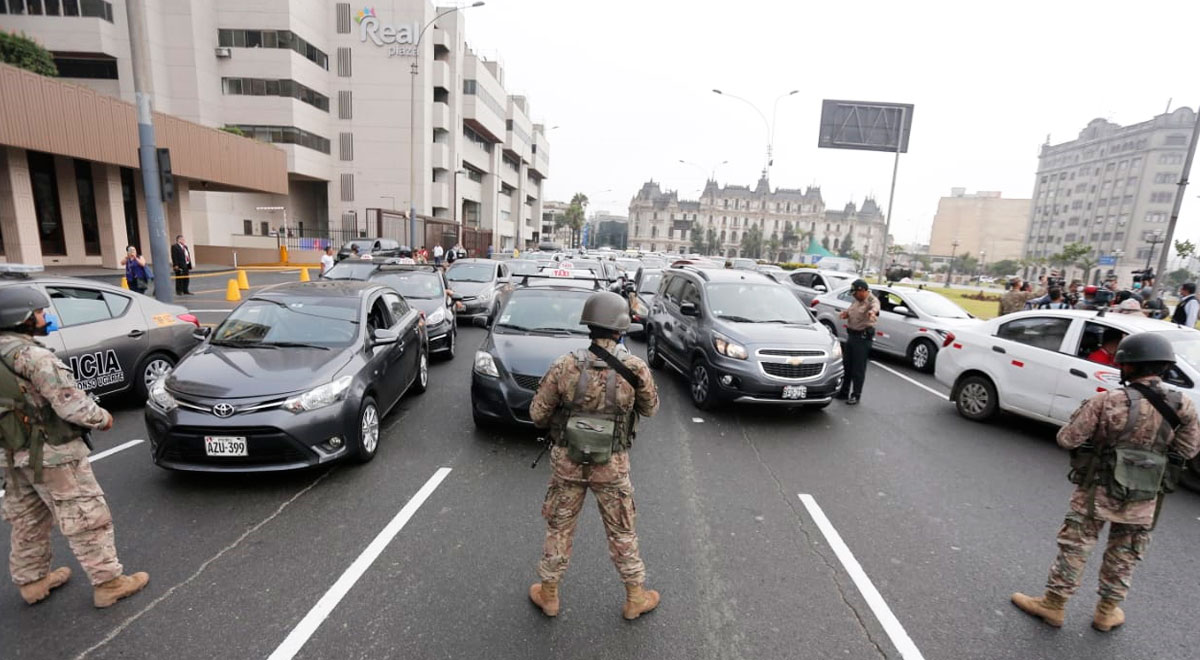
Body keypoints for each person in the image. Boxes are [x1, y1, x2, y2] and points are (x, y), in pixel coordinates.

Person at [1012, 333, 1200, 631]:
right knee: (1125, 552)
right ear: (1164, 367)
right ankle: (1107, 612)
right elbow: (1188, 451)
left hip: (1095, 491)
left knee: (1076, 546)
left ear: (1127, 366)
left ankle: (1053, 605)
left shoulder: (1107, 401)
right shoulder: (1183, 406)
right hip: (1145, 495)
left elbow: (1068, 438)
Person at [0, 286, 149, 608]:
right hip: (53, 453)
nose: (45, 317)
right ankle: (109, 583)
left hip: (10, 455)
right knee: (85, 518)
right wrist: (103, 418)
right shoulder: (33, 357)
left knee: (28, 518)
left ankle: (32, 581)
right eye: (39, 312)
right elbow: (71, 406)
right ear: (22, 319)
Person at [528, 291, 660, 621]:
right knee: (622, 531)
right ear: (620, 329)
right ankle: (634, 597)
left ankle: (550, 595)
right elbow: (651, 409)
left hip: (568, 462)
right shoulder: (635, 368)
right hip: (612, 465)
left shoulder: (564, 365)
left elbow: (537, 414)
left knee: (559, 528)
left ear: (589, 325)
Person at [835, 279, 879, 405]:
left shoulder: (871, 300)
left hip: (862, 338)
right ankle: (844, 392)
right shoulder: (856, 300)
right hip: (852, 336)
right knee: (847, 366)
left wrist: (872, 313)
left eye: (855, 293)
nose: (853, 295)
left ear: (862, 290)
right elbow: (851, 311)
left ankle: (856, 395)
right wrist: (845, 314)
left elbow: (875, 308)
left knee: (858, 369)